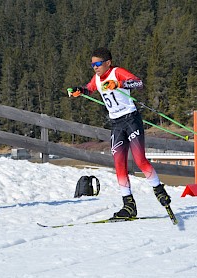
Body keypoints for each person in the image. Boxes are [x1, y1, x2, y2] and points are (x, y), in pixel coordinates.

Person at [69, 47, 171, 219]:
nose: (95, 67)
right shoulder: (97, 79)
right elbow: (89, 88)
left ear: (108, 63)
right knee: (119, 164)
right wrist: (79, 91)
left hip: (131, 120)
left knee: (139, 160)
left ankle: (159, 189)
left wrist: (119, 84)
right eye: (93, 64)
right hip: (116, 124)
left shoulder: (117, 72)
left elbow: (138, 83)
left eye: (98, 64)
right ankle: (128, 205)